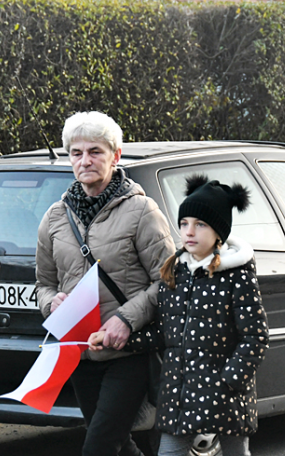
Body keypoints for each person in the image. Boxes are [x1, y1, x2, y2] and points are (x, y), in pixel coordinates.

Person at [90, 175, 268, 456]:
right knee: (169, 451)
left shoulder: (238, 276)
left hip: (226, 393)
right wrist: (123, 340)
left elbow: (255, 337)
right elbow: (165, 332)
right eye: (184, 223)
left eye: (200, 224)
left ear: (219, 231)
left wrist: (228, 382)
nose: (189, 232)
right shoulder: (176, 273)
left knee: (235, 452)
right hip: (179, 391)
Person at [35, 111, 175, 456]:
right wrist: (51, 303)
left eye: (95, 151)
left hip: (130, 353)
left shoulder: (142, 211)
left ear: (116, 155)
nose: (85, 161)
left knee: (97, 447)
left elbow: (172, 280)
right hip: (80, 353)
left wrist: (127, 319)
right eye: (76, 153)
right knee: (118, 444)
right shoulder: (55, 216)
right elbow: (42, 284)